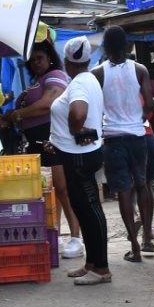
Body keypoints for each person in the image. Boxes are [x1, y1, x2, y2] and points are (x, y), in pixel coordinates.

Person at [7, 39, 84, 258]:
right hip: (35, 141)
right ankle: (56, 235)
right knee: (48, 192)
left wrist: (16, 115)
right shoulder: (37, 80)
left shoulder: (55, 76)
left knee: (63, 189)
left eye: (39, 58)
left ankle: (77, 238)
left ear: (50, 57)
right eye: (32, 60)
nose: (36, 63)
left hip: (51, 138)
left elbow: (45, 104)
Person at [92, 25, 154, 263]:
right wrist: (136, 119)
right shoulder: (140, 69)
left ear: (105, 47)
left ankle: (134, 246)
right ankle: (148, 238)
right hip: (137, 136)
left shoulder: (97, 73)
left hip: (112, 138)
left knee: (123, 190)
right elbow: (150, 104)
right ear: (127, 46)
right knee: (142, 184)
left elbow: (93, 106)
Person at [47, 37, 111, 285]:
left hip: (80, 158)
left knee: (90, 209)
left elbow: (78, 113)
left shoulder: (79, 85)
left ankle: (102, 268)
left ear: (66, 61)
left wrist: (75, 130)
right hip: (78, 154)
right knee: (85, 210)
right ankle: (92, 263)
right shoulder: (87, 80)